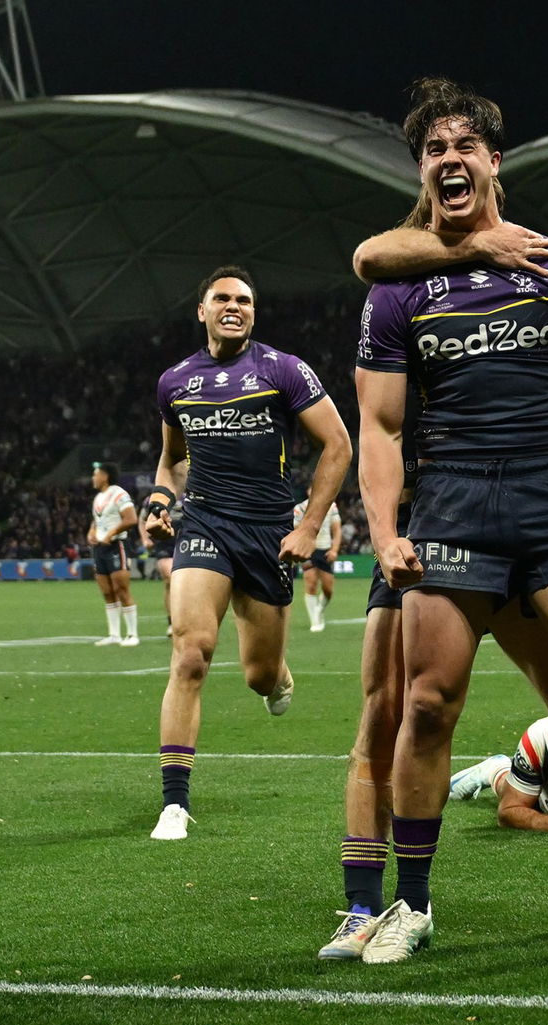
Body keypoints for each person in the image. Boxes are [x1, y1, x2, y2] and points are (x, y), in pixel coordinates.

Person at [351, 77, 548, 963]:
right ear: (424, 170)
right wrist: (383, 530)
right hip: (452, 498)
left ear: (495, 161)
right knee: (428, 704)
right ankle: (409, 907)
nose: (449, 160)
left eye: (465, 147)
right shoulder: (397, 288)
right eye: (433, 150)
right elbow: (377, 427)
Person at [143, 265, 352, 842]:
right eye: (222, 298)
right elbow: (171, 459)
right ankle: (174, 803)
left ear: (253, 313)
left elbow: (338, 444)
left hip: (267, 534)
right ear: (202, 310)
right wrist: (161, 500)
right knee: (191, 654)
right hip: (205, 522)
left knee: (259, 675)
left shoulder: (283, 370)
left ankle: (278, 678)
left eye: (244, 300)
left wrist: (309, 526)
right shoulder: (176, 381)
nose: (234, 306)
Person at [87, 461, 139, 647]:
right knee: (107, 592)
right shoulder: (98, 498)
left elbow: (131, 519)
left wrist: (111, 534)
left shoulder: (119, 493)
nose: (93, 478)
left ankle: (133, 634)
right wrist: (92, 532)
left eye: (96, 474)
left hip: (117, 545)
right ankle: (114, 634)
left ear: (105, 476)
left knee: (121, 590)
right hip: (100, 548)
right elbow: (98, 520)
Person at [293, 494, 342, 633]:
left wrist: (334, 550)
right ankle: (315, 621)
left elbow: (337, 529)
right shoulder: (300, 508)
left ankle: (319, 610)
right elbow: (296, 530)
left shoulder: (331, 506)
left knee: (328, 589)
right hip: (308, 549)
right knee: (311, 583)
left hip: (325, 550)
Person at [141, 493, 182, 638]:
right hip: (164, 542)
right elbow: (142, 519)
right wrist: (145, 539)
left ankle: (183, 619)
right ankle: (173, 622)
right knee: (171, 578)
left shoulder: (192, 492)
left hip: (186, 540)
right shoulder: (155, 497)